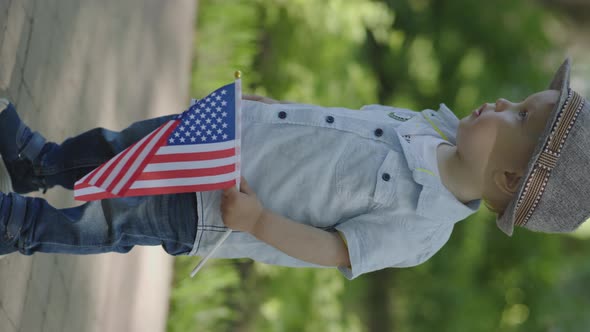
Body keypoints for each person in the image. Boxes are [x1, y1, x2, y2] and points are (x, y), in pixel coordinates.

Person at [0, 58, 587, 280]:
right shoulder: (429, 126)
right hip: (230, 136)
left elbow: (334, 249)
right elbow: (336, 124)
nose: (502, 104)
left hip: (217, 206)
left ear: (509, 179)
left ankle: (21, 227)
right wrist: (270, 107)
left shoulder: (423, 225)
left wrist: (256, 223)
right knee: (120, 147)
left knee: (110, 219)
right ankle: (39, 162)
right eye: (518, 100)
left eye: (517, 117)